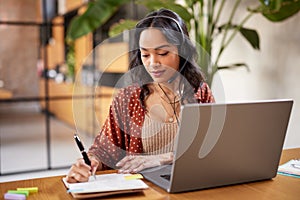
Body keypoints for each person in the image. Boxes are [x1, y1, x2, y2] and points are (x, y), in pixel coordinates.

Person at [66, 8, 215, 183]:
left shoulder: (201, 93)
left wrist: (162, 158)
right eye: (145, 54)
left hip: (190, 187)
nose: (153, 63)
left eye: (162, 53)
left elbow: (210, 150)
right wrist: (90, 162)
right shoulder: (127, 99)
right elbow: (104, 150)